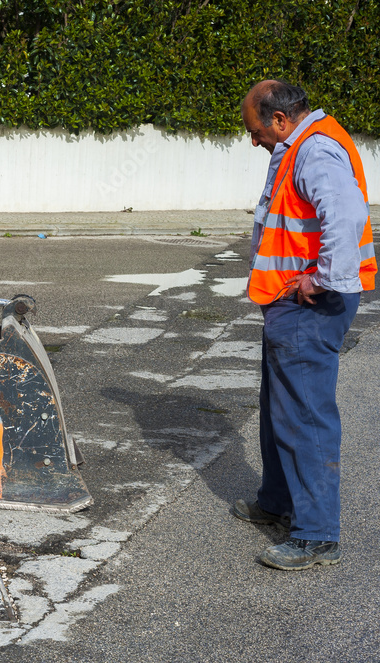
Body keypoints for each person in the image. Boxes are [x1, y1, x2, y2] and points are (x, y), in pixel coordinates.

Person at [232, 79, 376, 570]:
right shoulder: (300, 144)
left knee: (304, 416)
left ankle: (316, 535)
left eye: (255, 131)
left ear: (278, 119)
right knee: (279, 408)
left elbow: (345, 213)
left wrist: (323, 279)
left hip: (308, 305)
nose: (254, 141)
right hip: (289, 303)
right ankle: (278, 501)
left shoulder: (314, 150)